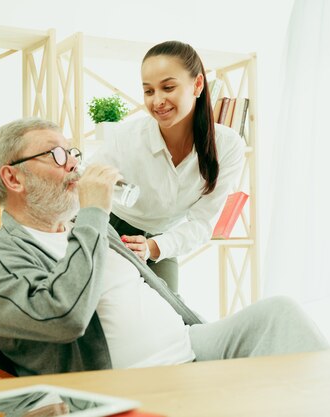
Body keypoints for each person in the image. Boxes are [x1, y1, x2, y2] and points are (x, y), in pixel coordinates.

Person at [0, 117, 329, 377]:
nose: (74, 164)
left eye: (72, 152)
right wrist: (93, 212)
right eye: (56, 155)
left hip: (190, 347)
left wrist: (99, 221)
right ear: (13, 177)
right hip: (134, 381)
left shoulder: (89, 227)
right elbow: (64, 317)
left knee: (279, 314)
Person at [88, 40, 246, 293]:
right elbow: (85, 181)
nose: (157, 101)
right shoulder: (126, 137)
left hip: (161, 240)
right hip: (113, 230)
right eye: (149, 91)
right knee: (110, 308)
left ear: (197, 84)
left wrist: (152, 247)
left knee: (171, 313)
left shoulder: (228, 146)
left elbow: (202, 223)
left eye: (168, 87)